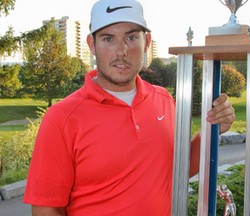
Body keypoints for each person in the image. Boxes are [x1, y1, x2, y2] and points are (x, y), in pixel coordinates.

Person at [23, 0, 235, 215]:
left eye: (131, 37)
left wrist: (213, 126)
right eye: (108, 39)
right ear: (91, 45)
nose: (121, 51)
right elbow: (45, 208)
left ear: (147, 42)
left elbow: (179, 169)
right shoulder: (62, 118)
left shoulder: (163, 99)